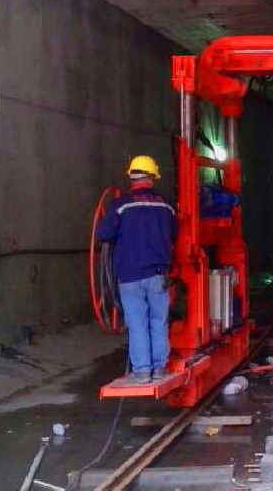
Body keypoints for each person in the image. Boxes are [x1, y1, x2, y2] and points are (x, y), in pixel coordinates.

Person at [97, 156, 176, 384]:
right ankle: (159, 368)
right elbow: (173, 234)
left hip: (130, 275)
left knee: (137, 322)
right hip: (158, 274)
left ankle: (142, 371)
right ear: (152, 178)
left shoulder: (121, 206)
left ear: (131, 178)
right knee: (158, 320)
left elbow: (104, 234)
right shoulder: (166, 206)